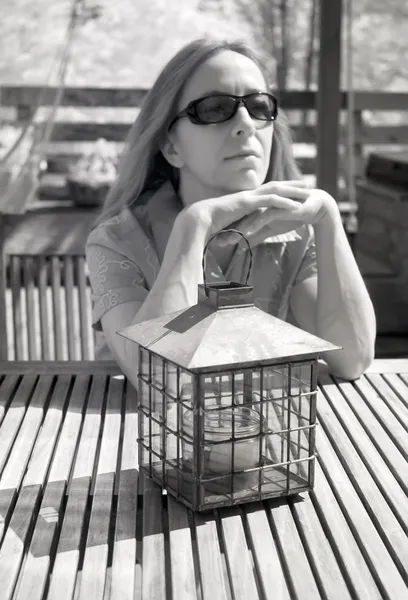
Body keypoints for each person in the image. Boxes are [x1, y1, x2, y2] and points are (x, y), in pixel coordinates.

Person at [85, 37, 376, 388]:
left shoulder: (296, 233)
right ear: (170, 146)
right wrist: (193, 228)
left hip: (259, 432)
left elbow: (352, 358)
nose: (246, 123)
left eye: (258, 106)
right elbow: (158, 380)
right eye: (215, 109)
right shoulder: (117, 241)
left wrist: (329, 220)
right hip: (128, 437)